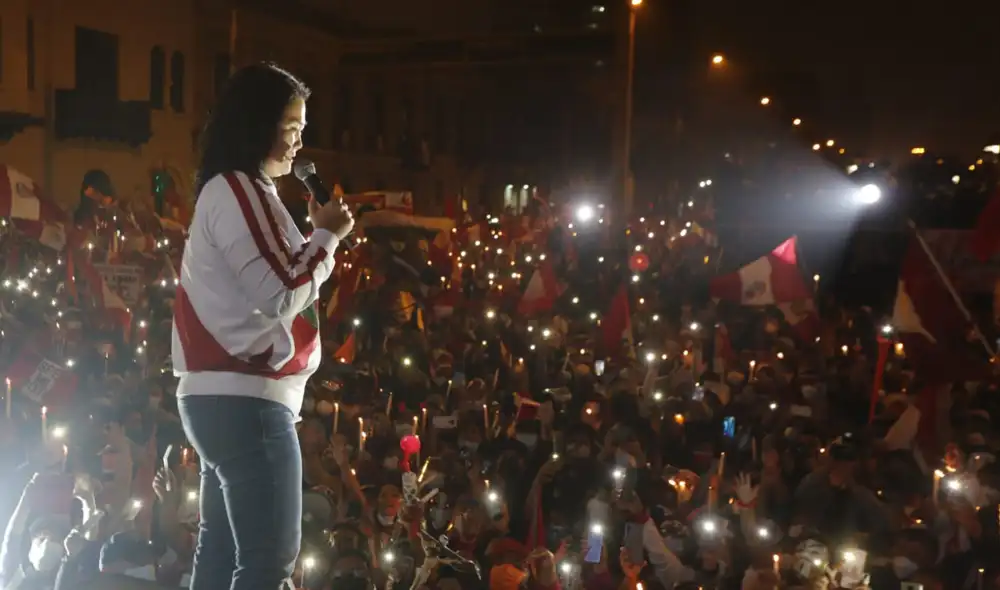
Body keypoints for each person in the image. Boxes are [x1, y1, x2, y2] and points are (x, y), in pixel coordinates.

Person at [171, 62, 354, 590]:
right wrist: (325, 239)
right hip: (245, 399)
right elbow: (279, 293)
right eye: (291, 127)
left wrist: (315, 239)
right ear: (257, 124)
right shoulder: (237, 189)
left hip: (230, 398)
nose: (300, 142)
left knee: (223, 556)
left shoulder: (239, 192)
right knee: (268, 560)